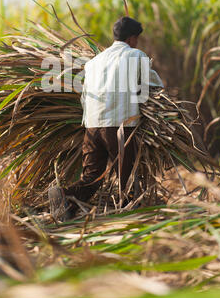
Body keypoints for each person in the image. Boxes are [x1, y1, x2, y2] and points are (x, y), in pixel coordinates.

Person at [48, 16, 164, 221]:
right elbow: (151, 88)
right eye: (136, 39)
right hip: (120, 126)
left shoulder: (93, 63)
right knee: (126, 177)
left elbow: (84, 97)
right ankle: (130, 216)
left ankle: (66, 196)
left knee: (91, 177)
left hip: (92, 127)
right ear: (132, 38)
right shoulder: (136, 55)